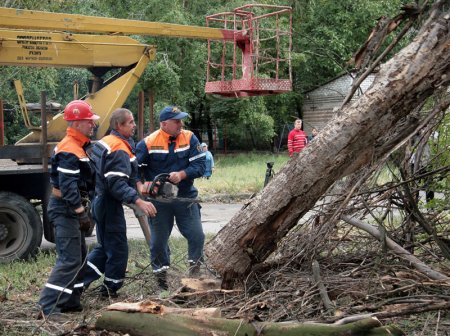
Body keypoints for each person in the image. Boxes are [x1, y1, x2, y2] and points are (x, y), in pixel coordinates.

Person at [83, 108, 156, 298]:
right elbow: (115, 183)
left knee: (105, 248)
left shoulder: (108, 141)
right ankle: (109, 290)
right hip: (108, 204)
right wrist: (138, 201)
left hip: (100, 200)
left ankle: (76, 284)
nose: (134, 125)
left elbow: (107, 175)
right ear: (118, 125)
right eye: (130, 122)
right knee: (117, 249)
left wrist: (138, 185)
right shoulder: (119, 149)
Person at [38, 100, 100, 317]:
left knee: (80, 257)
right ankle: (48, 306)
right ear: (77, 122)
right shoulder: (69, 149)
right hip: (66, 209)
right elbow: (67, 186)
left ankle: (70, 301)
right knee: (69, 259)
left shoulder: (79, 146)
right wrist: (80, 212)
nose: (93, 125)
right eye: (89, 122)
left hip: (71, 209)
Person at [136, 106, 206, 289]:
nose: (180, 124)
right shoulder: (148, 143)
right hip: (159, 201)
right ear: (164, 124)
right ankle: (162, 282)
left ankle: (194, 276)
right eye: (176, 121)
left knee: (197, 235)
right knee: (158, 242)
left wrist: (182, 174)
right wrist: (142, 186)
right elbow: (135, 171)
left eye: (181, 120)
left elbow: (200, 166)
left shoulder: (190, 137)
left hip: (185, 196)